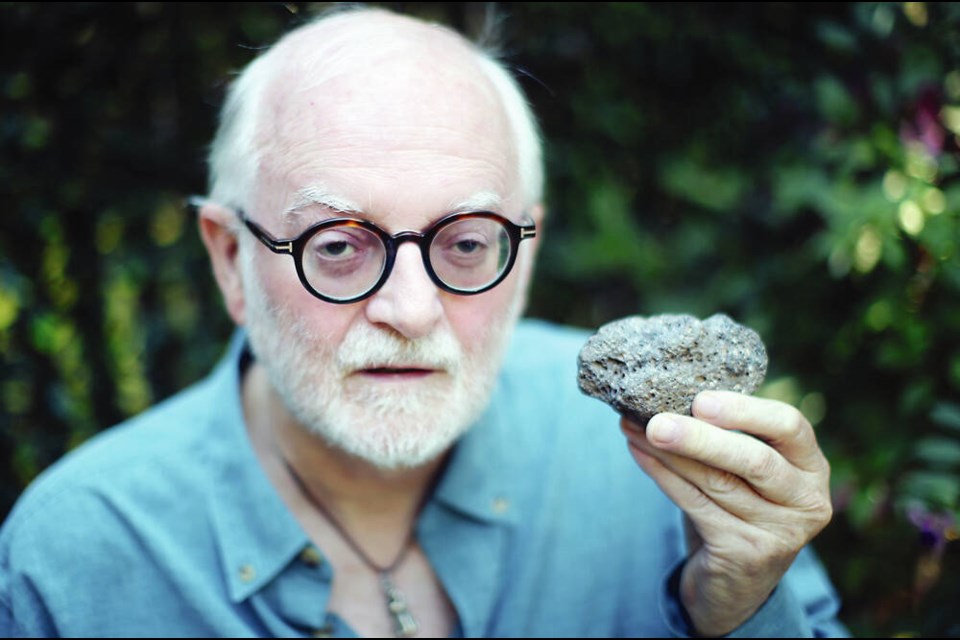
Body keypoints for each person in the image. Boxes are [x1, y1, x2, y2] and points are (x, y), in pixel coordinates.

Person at [0, 6, 847, 638]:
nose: (409, 310)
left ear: (528, 248)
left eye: (468, 242)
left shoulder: (664, 476)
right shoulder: (77, 559)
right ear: (230, 260)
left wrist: (734, 614)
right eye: (337, 245)